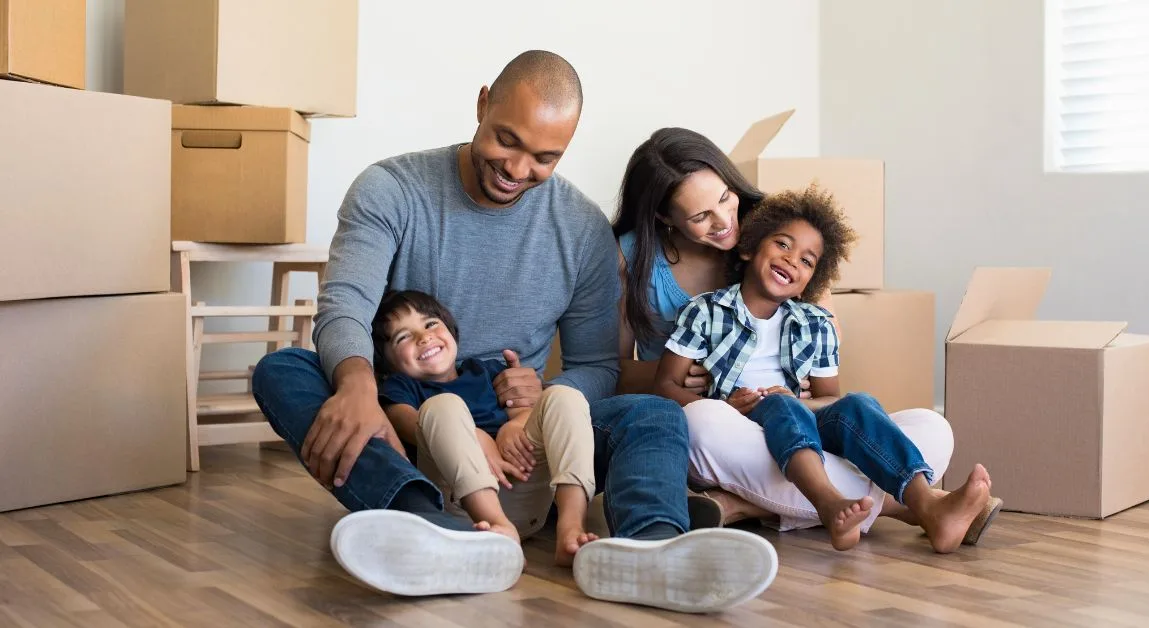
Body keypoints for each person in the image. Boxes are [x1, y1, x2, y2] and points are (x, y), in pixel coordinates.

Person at [252, 51, 778, 613]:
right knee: (284, 371)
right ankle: (424, 522)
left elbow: (598, 364)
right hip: (408, 421)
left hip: (526, 444)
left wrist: (539, 401)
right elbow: (346, 304)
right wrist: (357, 385)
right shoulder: (391, 189)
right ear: (482, 104)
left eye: (545, 157)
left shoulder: (580, 230)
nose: (518, 169)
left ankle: (650, 548)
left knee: (653, 413)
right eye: (507, 140)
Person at [611, 126, 1002, 543]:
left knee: (931, 427)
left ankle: (742, 505)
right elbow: (613, 371)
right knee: (705, 420)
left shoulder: (781, 236)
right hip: (720, 425)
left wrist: (808, 399)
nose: (727, 221)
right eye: (701, 216)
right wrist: (687, 379)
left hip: (800, 421)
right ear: (664, 217)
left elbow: (826, 382)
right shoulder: (663, 280)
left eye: (725, 197)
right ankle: (906, 507)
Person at [371, 288, 598, 565]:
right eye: (403, 336)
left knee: (564, 397)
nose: (424, 337)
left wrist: (514, 426)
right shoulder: (399, 388)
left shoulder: (485, 370)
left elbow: (526, 411)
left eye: (430, 324)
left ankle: (571, 528)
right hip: (464, 504)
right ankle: (498, 527)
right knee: (443, 406)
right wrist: (475, 436)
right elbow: (406, 423)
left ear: (452, 332)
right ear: (387, 361)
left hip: (525, 484)